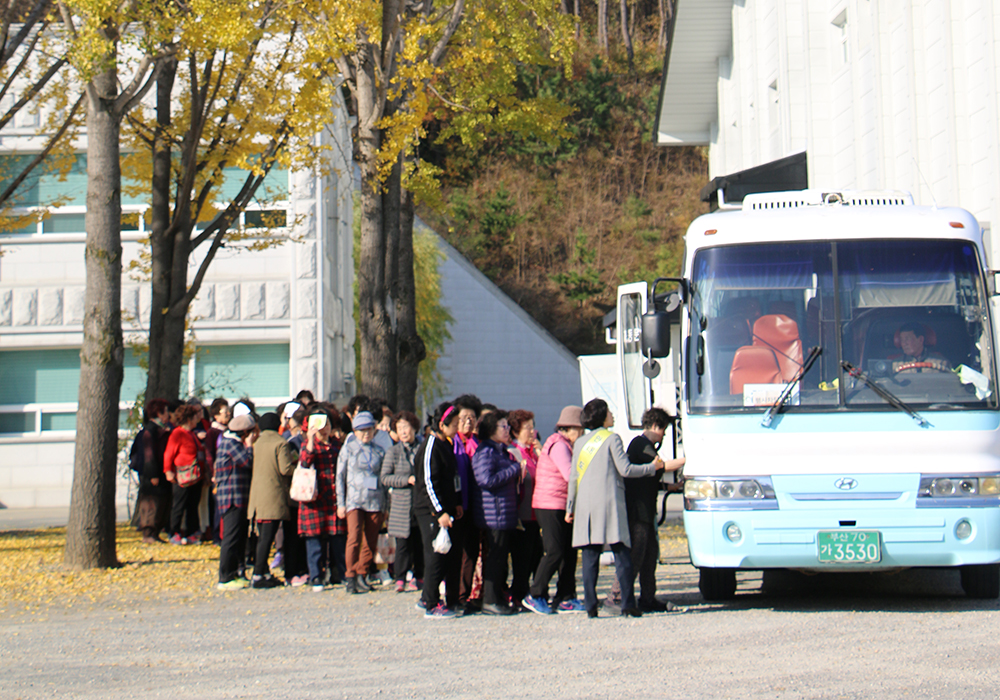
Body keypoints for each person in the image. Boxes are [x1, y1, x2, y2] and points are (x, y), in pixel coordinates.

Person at [566, 398, 667, 618]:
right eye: (609, 412)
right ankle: (627, 604)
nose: (612, 415)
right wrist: (653, 467)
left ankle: (591, 606)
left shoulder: (580, 443)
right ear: (602, 417)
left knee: (590, 556)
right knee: (622, 555)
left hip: (586, 506)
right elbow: (626, 469)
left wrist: (570, 507)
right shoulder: (612, 439)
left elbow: (574, 477)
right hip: (610, 503)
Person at [606, 408, 685, 612]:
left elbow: (649, 479)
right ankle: (616, 597)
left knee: (650, 556)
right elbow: (660, 467)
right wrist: (689, 460)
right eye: (663, 429)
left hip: (647, 512)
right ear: (655, 426)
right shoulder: (640, 445)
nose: (664, 434)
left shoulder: (647, 446)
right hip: (637, 512)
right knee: (635, 556)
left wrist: (670, 487)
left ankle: (648, 598)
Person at [523, 406, 586, 615]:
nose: (582, 434)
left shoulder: (564, 444)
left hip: (560, 504)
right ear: (570, 428)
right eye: (581, 429)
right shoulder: (559, 445)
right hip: (549, 505)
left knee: (569, 552)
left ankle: (566, 596)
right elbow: (570, 475)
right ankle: (536, 593)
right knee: (555, 551)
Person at [413, 402, 463, 619]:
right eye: (454, 423)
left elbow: (452, 479)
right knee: (435, 554)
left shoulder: (447, 444)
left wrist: (456, 502)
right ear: (442, 425)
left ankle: (432, 597)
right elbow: (427, 483)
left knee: (446, 555)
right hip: (430, 511)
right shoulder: (430, 446)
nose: (457, 427)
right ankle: (430, 602)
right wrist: (440, 511)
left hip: (447, 508)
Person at [471, 410, 521, 615]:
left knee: (501, 557)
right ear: (491, 429)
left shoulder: (500, 450)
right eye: (503, 426)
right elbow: (485, 480)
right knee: (494, 557)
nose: (507, 429)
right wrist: (514, 469)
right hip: (494, 513)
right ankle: (490, 600)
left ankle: (498, 597)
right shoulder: (486, 452)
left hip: (503, 511)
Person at [247, 412, 302, 588]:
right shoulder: (280, 443)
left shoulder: (256, 444)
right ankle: (258, 574)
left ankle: (262, 570)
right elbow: (285, 469)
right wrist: (299, 468)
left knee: (262, 535)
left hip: (257, 496)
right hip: (273, 495)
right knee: (267, 538)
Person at [336, 411, 386, 594]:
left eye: (369, 429)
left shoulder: (380, 451)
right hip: (354, 500)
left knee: (371, 540)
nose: (366, 433)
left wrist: (385, 506)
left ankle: (362, 573)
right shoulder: (348, 449)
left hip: (375, 500)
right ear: (355, 431)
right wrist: (340, 503)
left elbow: (383, 478)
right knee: (354, 536)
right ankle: (350, 575)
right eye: (361, 430)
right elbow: (339, 476)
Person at [298, 407, 344, 591]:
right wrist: (310, 440)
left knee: (337, 539)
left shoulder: (337, 445)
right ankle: (316, 577)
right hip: (314, 499)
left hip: (334, 497)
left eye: (327, 424)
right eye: (319, 425)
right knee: (314, 541)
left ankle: (339, 574)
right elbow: (304, 462)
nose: (323, 429)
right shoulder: (307, 445)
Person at [381, 411, 424, 593]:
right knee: (402, 545)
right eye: (399, 428)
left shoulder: (422, 448)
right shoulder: (393, 451)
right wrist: (405, 481)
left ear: (414, 428)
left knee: (420, 542)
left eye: (406, 427)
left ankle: (419, 576)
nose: (404, 431)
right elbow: (385, 478)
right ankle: (400, 577)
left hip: (420, 502)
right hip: (400, 504)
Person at [215, 413, 257, 590]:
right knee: (231, 538)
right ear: (244, 432)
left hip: (240, 497)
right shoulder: (230, 444)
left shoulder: (231, 443)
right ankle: (225, 577)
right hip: (231, 497)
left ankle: (238, 572)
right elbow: (247, 461)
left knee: (240, 538)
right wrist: (249, 446)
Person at [507, 409, 543, 609]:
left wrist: (540, 452)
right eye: (527, 428)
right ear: (515, 431)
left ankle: (534, 593)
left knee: (536, 555)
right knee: (522, 558)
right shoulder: (512, 452)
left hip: (537, 513)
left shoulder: (534, 452)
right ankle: (518, 595)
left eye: (532, 427)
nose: (532, 432)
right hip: (521, 514)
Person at [452, 394, 482, 609]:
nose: (468, 422)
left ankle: (465, 595)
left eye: (472, 417)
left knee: (471, 551)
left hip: (475, 504)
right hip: (455, 504)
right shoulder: (450, 442)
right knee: (454, 551)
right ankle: (452, 595)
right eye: (463, 417)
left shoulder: (478, 443)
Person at [164, 403, 209, 545]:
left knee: (192, 504)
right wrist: (168, 471)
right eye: (196, 417)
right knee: (179, 504)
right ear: (189, 418)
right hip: (182, 475)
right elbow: (169, 453)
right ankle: (174, 532)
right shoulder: (178, 433)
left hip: (195, 476)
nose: (198, 419)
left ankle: (192, 532)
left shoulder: (192, 434)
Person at [133, 398, 172, 544]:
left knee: (162, 502)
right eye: (166, 412)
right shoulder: (150, 432)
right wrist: (152, 474)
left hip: (161, 472)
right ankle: (148, 532)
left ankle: (156, 532)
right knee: (151, 504)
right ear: (159, 413)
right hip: (152, 474)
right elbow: (149, 455)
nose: (168, 415)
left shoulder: (162, 430)